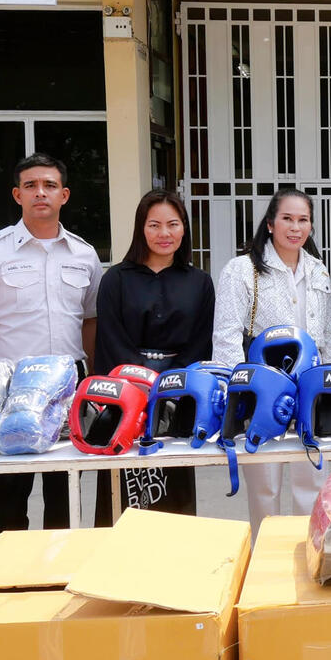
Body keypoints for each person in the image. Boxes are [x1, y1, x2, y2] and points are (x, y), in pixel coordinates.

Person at [0, 152, 103, 538]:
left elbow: (90, 322)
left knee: (65, 494)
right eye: (31, 186)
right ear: (17, 195)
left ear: (64, 195)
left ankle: (56, 580)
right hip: (11, 388)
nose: (41, 193)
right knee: (8, 497)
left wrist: (93, 382)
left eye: (50, 185)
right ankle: (7, 581)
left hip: (69, 388)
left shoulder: (84, 255)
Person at [213, 188, 331, 538]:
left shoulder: (317, 269)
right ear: (270, 223)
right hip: (264, 386)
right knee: (265, 482)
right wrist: (236, 391)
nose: (295, 227)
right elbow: (226, 334)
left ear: (311, 227)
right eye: (287, 218)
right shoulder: (242, 270)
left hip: (311, 385)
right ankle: (264, 558)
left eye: (303, 220)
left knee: (313, 477)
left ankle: (312, 552)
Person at [92, 189, 215, 525]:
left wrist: (169, 384)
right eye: (155, 225)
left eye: (173, 224)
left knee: (174, 482)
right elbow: (110, 336)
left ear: (184, 229)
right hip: (125, 390)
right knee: (123, 479)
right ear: (140, 229)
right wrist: (139, 385)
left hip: (178, 391)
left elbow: (202, 341)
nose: (164, 233)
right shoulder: (116, 279)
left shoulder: (199, 282)